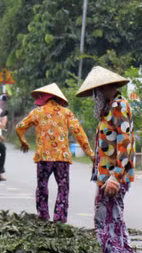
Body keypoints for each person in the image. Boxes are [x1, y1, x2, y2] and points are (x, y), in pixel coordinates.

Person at [76, 66, 141, 253]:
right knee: (115, 217)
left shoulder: (118, 107)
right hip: (107, 175)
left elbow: (125, 144)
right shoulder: (108, 110)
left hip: (114, 175)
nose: (94, 98)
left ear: (103, 89)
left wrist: (114, 177)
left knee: (104, 220)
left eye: (95, 93)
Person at [15, 83, 95, 222]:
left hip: (44, 157)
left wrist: (23, 142)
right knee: (63, 187)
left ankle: (43, 216)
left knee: (42, 186)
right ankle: (60, 218)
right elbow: (79, 134)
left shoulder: (37, 112)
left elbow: (20, 127)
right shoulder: (66, 113)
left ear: (45, 97)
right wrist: (91, 154)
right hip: (62, 158)